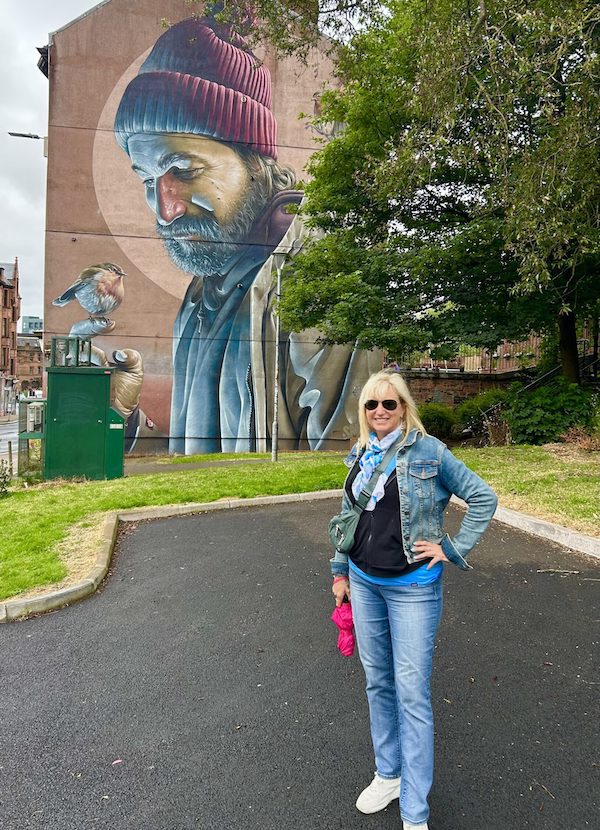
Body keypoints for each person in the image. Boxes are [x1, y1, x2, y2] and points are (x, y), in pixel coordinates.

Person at [114, 16, 379, 454]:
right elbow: (195, 450)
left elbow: (344, 472)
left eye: (182, 170)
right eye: (147, 180)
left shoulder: (314, 277)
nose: (166, 210)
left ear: (256, 164)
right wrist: (124, 420)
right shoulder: (203, 289)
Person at [330, 370, 497, 830]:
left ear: (405, 407)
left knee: (411, 694)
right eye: (371, 405)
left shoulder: (430, 451)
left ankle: (415, 812)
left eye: (390, 404)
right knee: (377, 682)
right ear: (363, 411)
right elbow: (347, 516)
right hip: (364, 582)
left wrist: (453, 548)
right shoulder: (361, 453)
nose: (380, 412)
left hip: (412, 589)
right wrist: (340, 571)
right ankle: (389, 774)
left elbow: (483, 497)